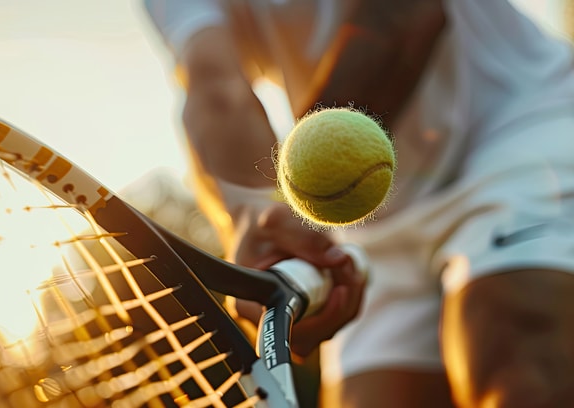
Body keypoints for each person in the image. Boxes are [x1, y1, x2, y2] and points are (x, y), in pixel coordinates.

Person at [142, 0, 574, 407]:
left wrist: (304, 196)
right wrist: (258, 212)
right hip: (372, 215)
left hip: (516, 128)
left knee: (522, 350)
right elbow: (213, 83)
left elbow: (405, 13)